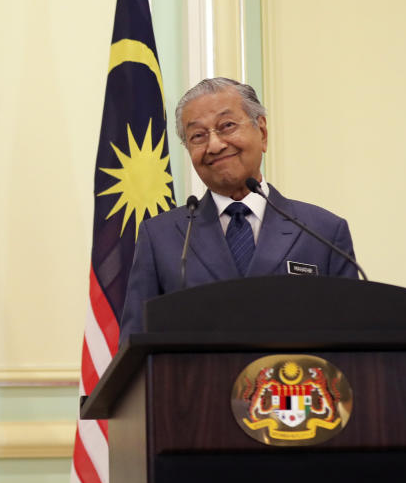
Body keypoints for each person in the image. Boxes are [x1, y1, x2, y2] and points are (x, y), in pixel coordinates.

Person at [119, 77, 357, 340]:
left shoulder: (322, 232)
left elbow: (353, 345)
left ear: (262, 132)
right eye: (198, 136)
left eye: (227, 126)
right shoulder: (161, 237)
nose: (215, 145)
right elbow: (135, 349)